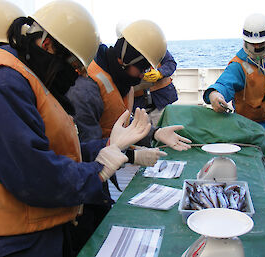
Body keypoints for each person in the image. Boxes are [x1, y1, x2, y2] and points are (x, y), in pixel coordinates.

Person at [0, 1, 152, 256]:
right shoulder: (7, 85)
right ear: (47, 46)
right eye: (74, 66)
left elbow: (57, 150)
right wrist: (98, 171)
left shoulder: (27, 78)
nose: (78, 74)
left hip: (49, 225)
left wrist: (111, 147)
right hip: (21, 243)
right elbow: (33, 175)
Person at [66, 19, 191, 253]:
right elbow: (83, 151)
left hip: (108, 167)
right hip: (86, 183)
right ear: (124, 60)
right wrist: (133, 157)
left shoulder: (120, 77)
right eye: (142, 69)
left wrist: (154, 132)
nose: (143, 76)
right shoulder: (86, 89)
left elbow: (121, 122)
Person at [203, 13, 265, 158]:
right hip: (249, 133)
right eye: (253, 44)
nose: (257, 46)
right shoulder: (238, 66)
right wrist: (215, 95)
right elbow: (223, 84)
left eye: (261, 43)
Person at [133, 49, 178, 126]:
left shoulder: (156, 46)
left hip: (162, 101)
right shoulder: (124, 50)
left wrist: (160, 73)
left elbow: (170, 63)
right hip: (139, 107)